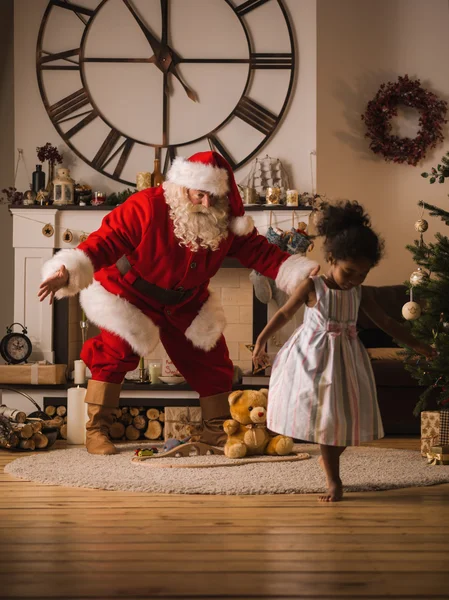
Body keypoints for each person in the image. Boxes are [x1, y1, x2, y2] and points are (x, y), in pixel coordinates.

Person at [38, 151, 318, 456]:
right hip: (131, 290)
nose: (207, 204)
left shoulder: (222, 216)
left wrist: (298, 272)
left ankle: (217, 429)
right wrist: (67, 271)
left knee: (211, 358)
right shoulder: (146, 206)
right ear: (184, 187)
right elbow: (106, 241)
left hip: (186, 299)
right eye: (200, 195)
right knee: (114, 353)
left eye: (214, 196)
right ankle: (97, 429)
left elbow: (260, 251)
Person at [252, 200, 435, 502]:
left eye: (362, 274)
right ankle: (333, 479)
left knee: (342, 421)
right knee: (324, 421)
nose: (355, 280)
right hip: (312, 359)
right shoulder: (312, 287)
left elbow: (388, 322)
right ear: (333, 259)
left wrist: (418, 345)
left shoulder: (359, 293)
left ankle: (330, 462)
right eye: (349, 272)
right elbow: (284, 313)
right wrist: (261, 339)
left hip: (346, 362)